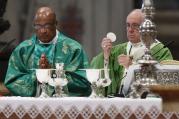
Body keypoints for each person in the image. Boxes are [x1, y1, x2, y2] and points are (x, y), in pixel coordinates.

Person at [4, 6, 91, 97]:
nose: (43, 30)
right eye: (38, 26)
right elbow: (11, 81)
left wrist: (52, 73)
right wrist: (38, 76)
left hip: (63, 107)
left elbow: (83, 83)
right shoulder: (23, 50)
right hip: (29, 108)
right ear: (34, 25)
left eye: (47, 25)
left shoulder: (73, 49)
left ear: (55, 24)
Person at [91, 9, 173, 97]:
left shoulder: (161, 51)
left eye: (135, 26)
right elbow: (94, 67)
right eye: (128, 25)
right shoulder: (118, 50)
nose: (130, 30)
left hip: (145, 101)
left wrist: (132, 67)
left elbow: (167, 80)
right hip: (117, 99)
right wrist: (106, 56)